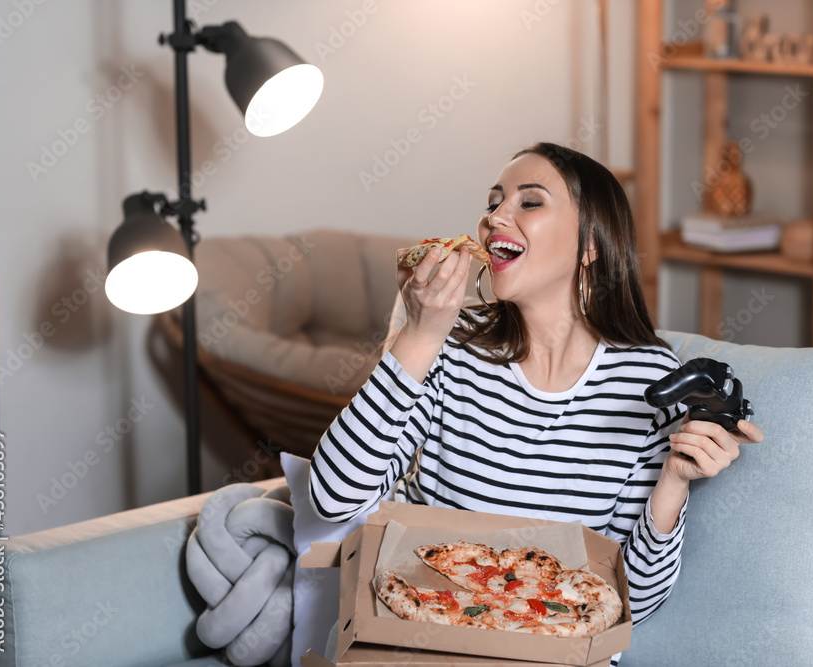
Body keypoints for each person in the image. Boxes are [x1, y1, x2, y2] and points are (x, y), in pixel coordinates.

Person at [309, 142, 764, 661]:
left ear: (590, 242)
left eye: (529, 202)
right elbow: (332, 499)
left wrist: (675, 481)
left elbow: (633, 600)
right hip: (422, 644)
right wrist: (419, 333)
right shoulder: (452, 342)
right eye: (493, 201)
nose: (494, 217)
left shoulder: (648, 378)